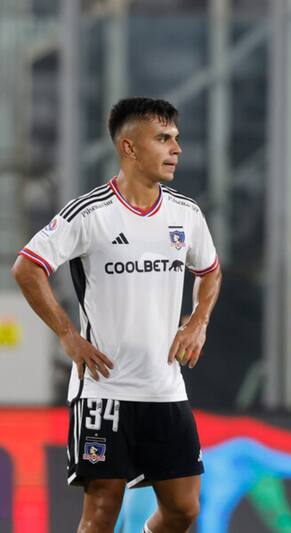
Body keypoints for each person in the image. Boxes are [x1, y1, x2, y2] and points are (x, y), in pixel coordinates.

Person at [11, 97, 222, 533]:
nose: (176, 149)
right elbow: (27, 267)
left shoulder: (186, 213)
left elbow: (210, 272)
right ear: (129, 147)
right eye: (163, 139)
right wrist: (67, 335)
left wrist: (198, 319)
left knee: (184, 511)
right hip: (104, 391)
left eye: (177, 139)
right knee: (102, 510)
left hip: (164, 388)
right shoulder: (90, 214)